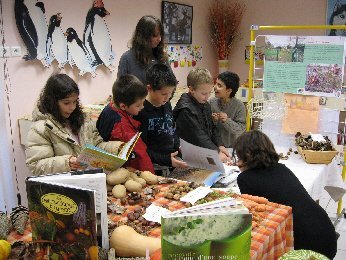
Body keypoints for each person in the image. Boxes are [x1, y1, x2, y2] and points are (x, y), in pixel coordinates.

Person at [234, 130, 337, 259]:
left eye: (239, 156)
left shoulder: (245, 178)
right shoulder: (282, 168)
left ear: (247, 155)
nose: (238, 160)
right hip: (326, 233)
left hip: (308, 246)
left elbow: (256, 216)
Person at [25, 74, 124, 176]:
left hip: (89, 179)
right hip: (64, 187)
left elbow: (97, 146)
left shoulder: (83, 120)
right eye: (66, 103)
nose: (72, 107)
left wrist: (117, 147)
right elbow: (36, 165)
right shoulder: (40, 129)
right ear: (52, 102)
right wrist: (67, 163)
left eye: (75, 101)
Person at [134, 63, 187, 172]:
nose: (167, 98)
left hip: (171, 161)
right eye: (164, 94)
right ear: (149, 88)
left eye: (171, 93)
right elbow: (141, 148)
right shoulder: (141, 111)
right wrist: (166, 159)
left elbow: (172, 129)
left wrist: (178, 145)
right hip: (155, 167)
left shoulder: (166, 103)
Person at [96, 74, 154, 173]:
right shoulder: (122, 126)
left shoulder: (110, 106)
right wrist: (151, 175)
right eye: (138, 105)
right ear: (123, 106)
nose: (142, 107)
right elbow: (139, 155)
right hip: (126, 171)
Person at [173, 68, 231, 163]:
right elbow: (198, 136)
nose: (207, 96)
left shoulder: (205, 104)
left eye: (210, 92)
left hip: (203, 152)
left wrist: (220, 145)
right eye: (204, 93)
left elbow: (212, 128)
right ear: (191, 89)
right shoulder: (185, 109)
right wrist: (216, 152)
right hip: (189, 156)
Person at [117, 15, 167, 83]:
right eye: (155, 35)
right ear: (143, 37)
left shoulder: (161, 56)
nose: (159, 39)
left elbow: (171, 84)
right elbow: (120, 89)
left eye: (160, 35)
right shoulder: (127, 58)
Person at [209, 71, 246, 148]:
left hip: (232, 147)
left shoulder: (239, 106)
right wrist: (212, 119)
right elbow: (205, 125)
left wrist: (227, 121)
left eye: (219, 85)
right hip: (214, 146)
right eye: (215, 83)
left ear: (229, 91)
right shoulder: (211, 102)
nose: (215, 87)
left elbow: (241, 129)